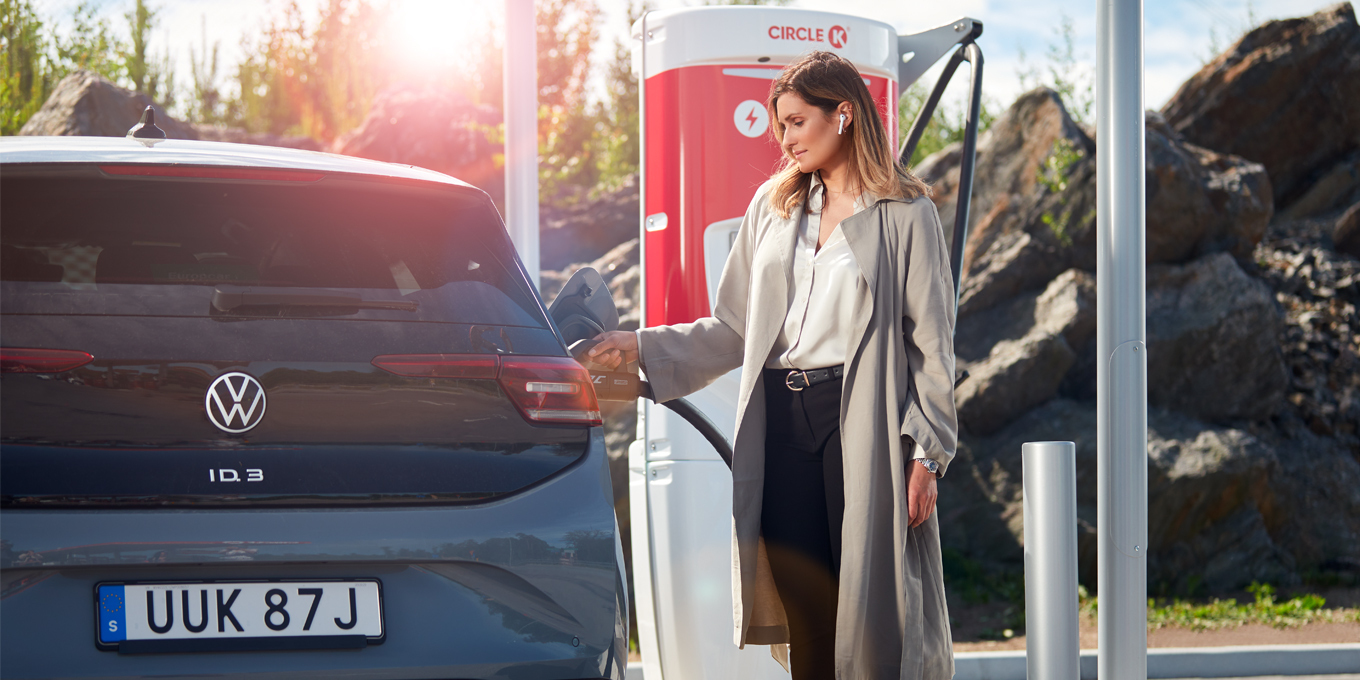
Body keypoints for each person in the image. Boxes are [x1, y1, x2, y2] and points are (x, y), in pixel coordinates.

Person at [588, 50, 957, 680]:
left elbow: (933, 344)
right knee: (803, 597)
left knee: (866, 604)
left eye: (795, 122)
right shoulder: (774, 206)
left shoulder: (905, 215)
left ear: (843, 114)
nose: (784, 140)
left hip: (860, 417)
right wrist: (643, 346)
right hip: (781, 418)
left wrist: (927, 453)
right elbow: (734, 327)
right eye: (778, 126)